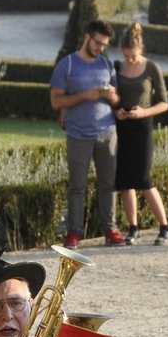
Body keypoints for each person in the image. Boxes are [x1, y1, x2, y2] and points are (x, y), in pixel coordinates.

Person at [51, 19, 125, 250]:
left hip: (107, 132)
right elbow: (56, 101)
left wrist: (112, 96)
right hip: (78, 135)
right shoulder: (68, 65)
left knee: (108, 184)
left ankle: (110, 229)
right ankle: (74, 233)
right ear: (87, 37)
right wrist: (86, 95)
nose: (101, 47)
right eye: (98, 42)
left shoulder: (106, 65)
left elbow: (117, 99)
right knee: (77, 186)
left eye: (105, 44)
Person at [113, 23, 168, 246]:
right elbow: (112, 96)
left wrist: (144, 112)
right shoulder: (117, 67)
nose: (130, 60)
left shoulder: (151, 68)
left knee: (144, 179)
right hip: (122, 126)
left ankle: (165, 226)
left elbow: (165, 103)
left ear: (141, 49)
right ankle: (133, 228)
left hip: (143, 126)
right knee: (124, 181)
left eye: (134, 56)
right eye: (127, 56)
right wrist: (116, 110)